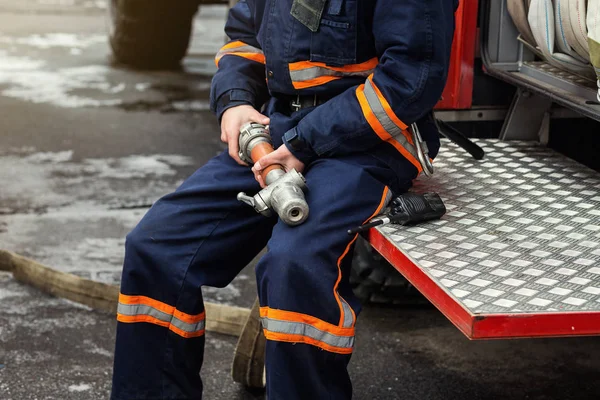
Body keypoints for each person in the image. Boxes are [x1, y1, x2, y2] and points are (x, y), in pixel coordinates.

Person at [110, 0, 457, 399]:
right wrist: (236, 100)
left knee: (296, 263)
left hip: (370, 142)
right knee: (157, 246)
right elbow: (244, 36)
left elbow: (410, 79)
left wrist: (305, 143)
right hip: (278, 132)